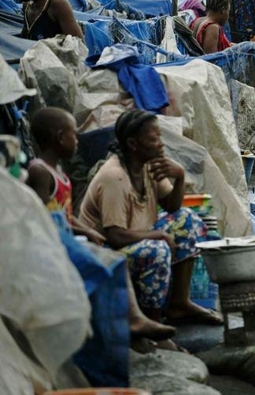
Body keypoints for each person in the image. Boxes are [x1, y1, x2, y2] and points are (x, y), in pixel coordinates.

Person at [26, 107, 176, 343]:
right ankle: (136, 319)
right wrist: (85, 234)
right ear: (59, 138)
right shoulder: (40, 171)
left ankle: (149, 315)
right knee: (112, 260)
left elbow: (63, 214)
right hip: (54, 243)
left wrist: (85, 231)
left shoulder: (59, 173)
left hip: (69, 237)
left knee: (113, 258)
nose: (77, 141)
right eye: (73, 135)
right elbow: (44, 217)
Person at [79, 110, 223, 327]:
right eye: (154, 139)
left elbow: (172, 207)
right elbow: (115, 235)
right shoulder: (114, 177)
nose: (161, 144)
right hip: (104, 249)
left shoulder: (147, 166)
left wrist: (180, 176)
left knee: (189, 221)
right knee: (158, 249)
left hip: (133, 236)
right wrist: (159, 234)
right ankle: (150, 322)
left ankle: (179, 303)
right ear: (133, 144)